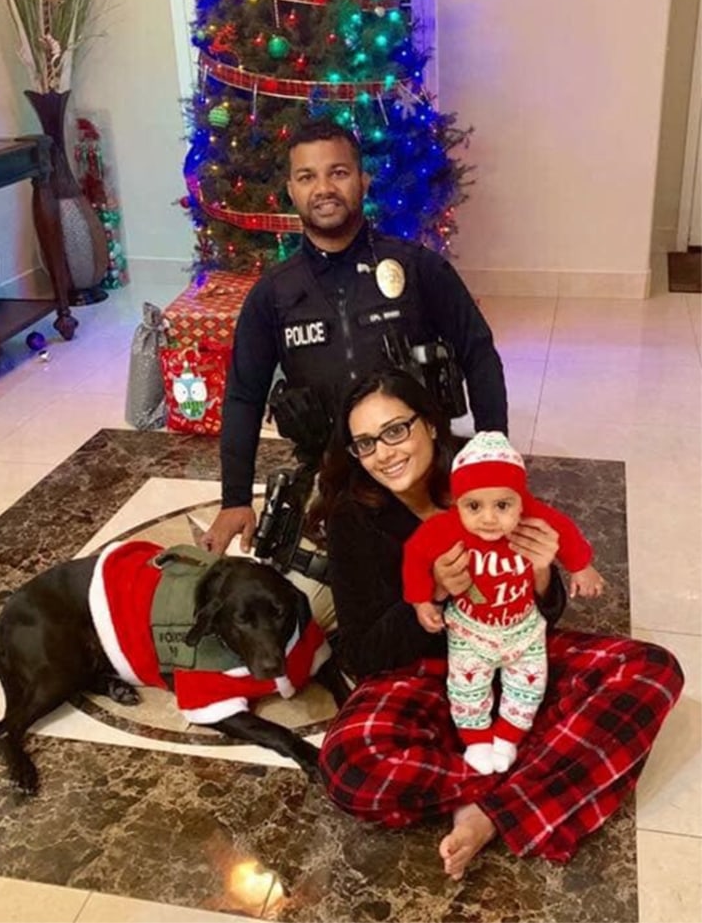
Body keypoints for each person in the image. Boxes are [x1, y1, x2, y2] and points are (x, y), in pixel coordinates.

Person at [309, 367, 683, 880]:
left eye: (396, 430)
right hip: (422, 675)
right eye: (366, 443)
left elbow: (545, 614)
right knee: (350, 767)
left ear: (431, 424)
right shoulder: (354, 516)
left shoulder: (485, 475)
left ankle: (486, 803)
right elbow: (365, 655)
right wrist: (435, 594)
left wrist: (543, 572)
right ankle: (527, 780)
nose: (385, 452)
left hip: (512, 651)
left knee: (651, 670)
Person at [202, 119, 508, 558]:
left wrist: (492, 453)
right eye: (307, 177)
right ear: (291, 191)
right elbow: (244, 396)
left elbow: (478, 353)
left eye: (338, 172)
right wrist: (234, 498)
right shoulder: (273, 295)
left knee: (506, 583)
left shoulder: (418, 269)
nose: (324, 188)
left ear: (362, 180)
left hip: (424, 474)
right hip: (332, 480)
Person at [402, 430, 605, 776]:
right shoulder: (446, 528)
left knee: (530, 683)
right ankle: (478, 739)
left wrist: (582, 566)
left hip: (523, 630)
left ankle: (508, 738)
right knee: (466, 687)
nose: (489, 519)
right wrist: (422, 601)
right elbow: (416, 555)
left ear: (521, 500)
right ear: (457, 502)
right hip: (470, 631)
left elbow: (566, 532)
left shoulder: (533, 519)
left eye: (502, 505)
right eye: (474, 506)